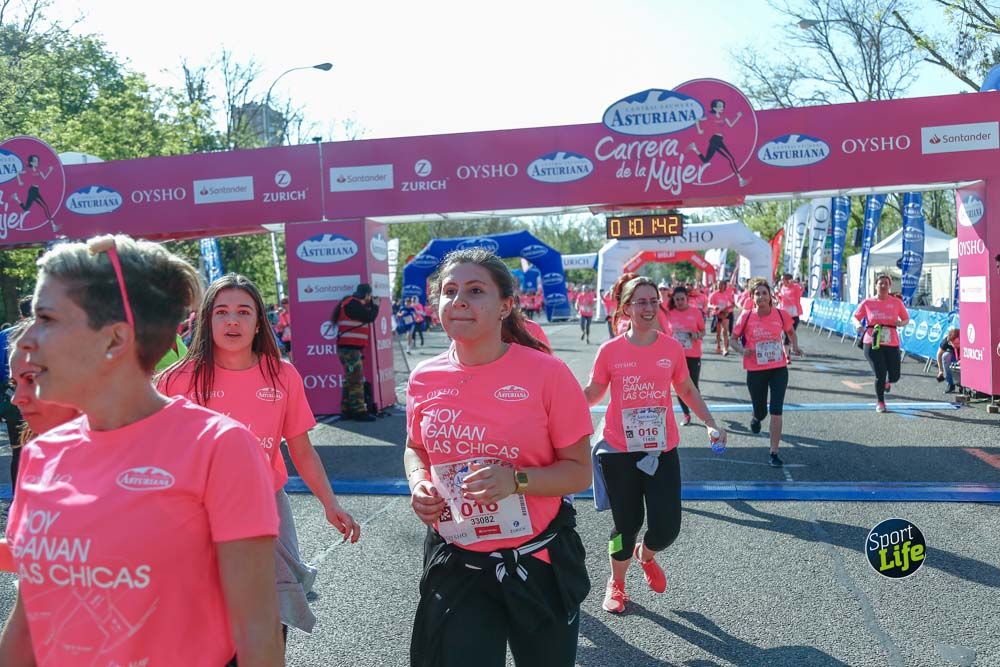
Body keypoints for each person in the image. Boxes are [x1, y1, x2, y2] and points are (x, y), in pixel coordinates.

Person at [1, 234, 283, 665]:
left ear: (115, 340)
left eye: (46, 318)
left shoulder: (218, 447)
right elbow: (28, 623)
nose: (24, 341)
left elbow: (258, 634)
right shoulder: (42, 454)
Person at [404, 248, 592, 667]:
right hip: (458, 562)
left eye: (475, 291)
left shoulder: (547, 374)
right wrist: (419, 483)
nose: (459, 301)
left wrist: (516, 481)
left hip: (536, 561)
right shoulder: (424, 377)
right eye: (449, 291)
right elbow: (415, 448)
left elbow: (580, 472)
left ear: (505, 306)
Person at [158, 272, 360, 648]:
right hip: (195, 516)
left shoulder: (282, 375)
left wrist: (330, 504)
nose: (232, 321)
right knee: (204, 625)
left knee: (269, 618)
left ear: (258, 322)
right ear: (206, 320)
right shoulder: (175, 381)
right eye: (221, 312)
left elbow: (301, 450)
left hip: (264, 510)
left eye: (243, 311)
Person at [583, 276, 725, 614]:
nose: (648, 308)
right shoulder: (610, 351)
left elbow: (686, 389)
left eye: (652, 301)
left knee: (667, 528)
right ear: (626, 308)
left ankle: (645, 555)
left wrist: (710, 422)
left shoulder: (671, 348)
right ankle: (616, 582)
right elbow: (594, 392)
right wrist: (556, 404)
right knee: (625, 526)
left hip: (660, 450)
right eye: (640, 302)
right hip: (618, 451)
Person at [732, 278, 802, 467]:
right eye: (757, 293)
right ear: (752, 297)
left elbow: (791, 332)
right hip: (755, 370)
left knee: (776, 410)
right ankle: (756, 418)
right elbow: (733, 339)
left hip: (778, 368)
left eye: (764, 293)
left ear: (770, 296)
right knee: (761, 411)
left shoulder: (781, 314)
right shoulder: (746, 316)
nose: (761, 296)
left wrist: (795, 346)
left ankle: (774, 452)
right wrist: (742, 350)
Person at [851, 274, 911, 413]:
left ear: (889, 286)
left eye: (886, 283)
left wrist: (900, 323)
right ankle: (880, 402)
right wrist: (858, 325)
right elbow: (855, 316)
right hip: (872, 341)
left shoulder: (896, 302)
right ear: (876, 285)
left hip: (891, 341)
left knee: (895, 375)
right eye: (880, 283)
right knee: (880, 373)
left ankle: (887, 381)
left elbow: (906, 318)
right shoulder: (867, 302)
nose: (883, 286)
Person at [333, 283, 380, 421]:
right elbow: (369, 316)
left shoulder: (351, 303)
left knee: (350, 380)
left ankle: (346, 410)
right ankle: (359, 411)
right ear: (367, 295)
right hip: (350, 349)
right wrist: (376, 306)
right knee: (356, 381)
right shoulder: (352, 304)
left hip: (349, 349)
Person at [664, 286, 707, 426]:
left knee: (693, 386)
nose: (680, 302)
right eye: (677, 299)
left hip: (693, 355)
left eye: (682, 299)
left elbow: (703, 331)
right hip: (676, 356)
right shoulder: (669, 313)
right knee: (679, 386)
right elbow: (665, 333)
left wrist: (696, 335)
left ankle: (701, 412)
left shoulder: (696, 312)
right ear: (674, 300)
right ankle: (686, 414)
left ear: (687, 299)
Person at [0, 297, 31, 492]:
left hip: (13, 399)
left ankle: (17, 496)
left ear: (21, 314)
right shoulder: (52, 334)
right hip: (45, 399)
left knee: (17, 451)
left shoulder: (5, 335)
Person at [777, 274, 804, 363]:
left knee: (791, 334)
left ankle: (791, 348)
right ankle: (787, 356)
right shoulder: (782, 288)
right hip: (785, 315)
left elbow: (802, 288)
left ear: (788, 280)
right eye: (781, 280)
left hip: (794, 315)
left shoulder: (795, 287)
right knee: (786, 336)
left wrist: (796, 282)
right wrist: (777, 296)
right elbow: (781, 300)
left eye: (783, 279)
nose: (782, 281)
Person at [708, 279, 735, 355]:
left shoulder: (728, 293)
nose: (720, 286)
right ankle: (718, 346)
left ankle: (725, 349)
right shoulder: (714, 294)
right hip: (717, 314)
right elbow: (708, 304)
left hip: (725, 314)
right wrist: (714, 307)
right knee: (718, 332)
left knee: (725, 331)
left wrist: (728, 308)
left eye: (722, 285)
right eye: (719, 284)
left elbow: (733, 304)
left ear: (725, 286)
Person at [936, 327, 961, 393]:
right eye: (954, 344)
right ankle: (950, 384)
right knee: (946, 356)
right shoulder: (946, 341)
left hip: (965, 355)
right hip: (954, 355)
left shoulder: (966, 338)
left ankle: (963, 384)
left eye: (957, 343)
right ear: (950, 342)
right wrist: (940, 370)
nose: (955, 345)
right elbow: (939, 355)